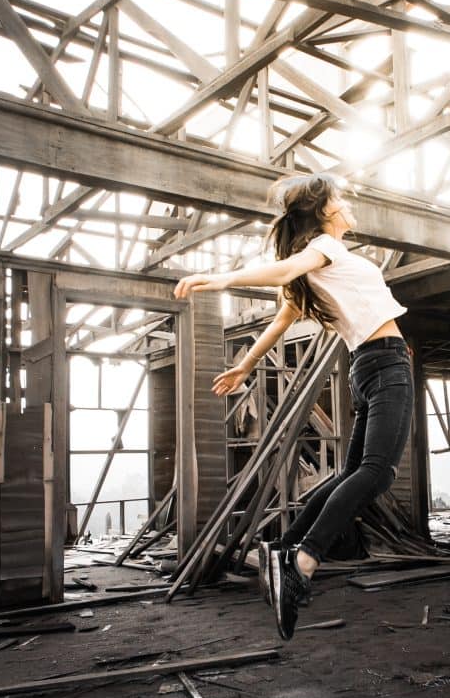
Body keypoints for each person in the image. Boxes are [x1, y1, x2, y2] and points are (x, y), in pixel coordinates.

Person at [173, 174, 413, 640]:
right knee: (377, 472)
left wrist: (244, 365)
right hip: (383, 364)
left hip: (368, 366)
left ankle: (284, 547)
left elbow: (282, 318)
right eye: (339, 199)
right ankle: (302, 561)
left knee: (355, 474)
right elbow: (281, 274)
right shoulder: (326, 248)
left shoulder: (324, 263)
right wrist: (222, 278)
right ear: (324, 211)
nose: (346, 203)